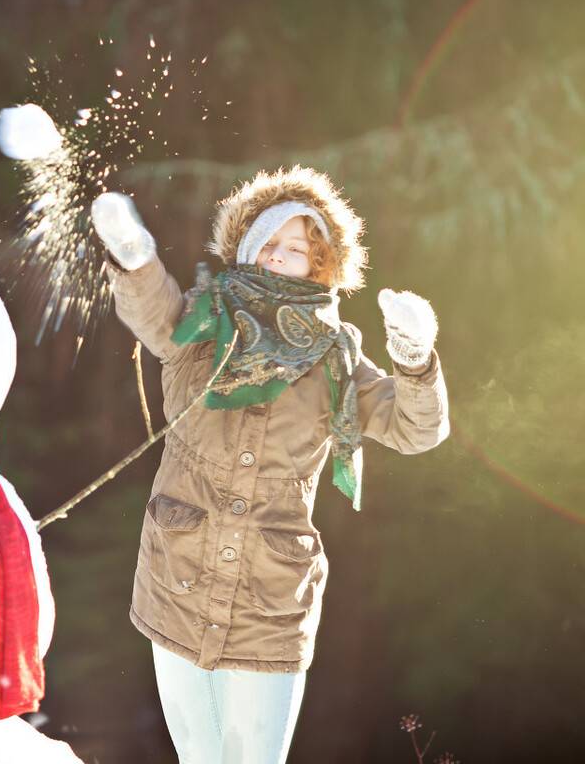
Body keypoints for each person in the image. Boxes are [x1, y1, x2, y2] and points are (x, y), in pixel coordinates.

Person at [89, 166, 449, 763]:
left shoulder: (338, 356)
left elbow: (416, 427)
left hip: (270, 598)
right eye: (271, 244)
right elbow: (154, 314)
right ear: (247, 247)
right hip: (179, 574)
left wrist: (413, 359)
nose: (282, 257)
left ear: (323, 263)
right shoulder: (204, 323)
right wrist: (134, 258)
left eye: (299, 249)